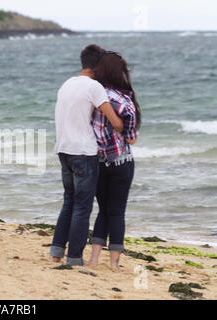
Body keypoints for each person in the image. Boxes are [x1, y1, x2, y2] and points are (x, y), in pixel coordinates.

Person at [50, 45, 124, 266]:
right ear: (98, 66)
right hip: (83, 151)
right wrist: (124, 126)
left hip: (63, 149)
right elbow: (114, 121)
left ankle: (56, 252)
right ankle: (74, 257)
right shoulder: (94, 87)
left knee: (69, 203)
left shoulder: (67, 84)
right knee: (82, 207)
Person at [88, 51, 141, 270]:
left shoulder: (92, 97)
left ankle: (93, 259)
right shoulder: (123, 100)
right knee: (117, 212)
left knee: (103, 210)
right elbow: (130, 137)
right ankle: (114, 263)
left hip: (97, 162)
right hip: (121, 162)